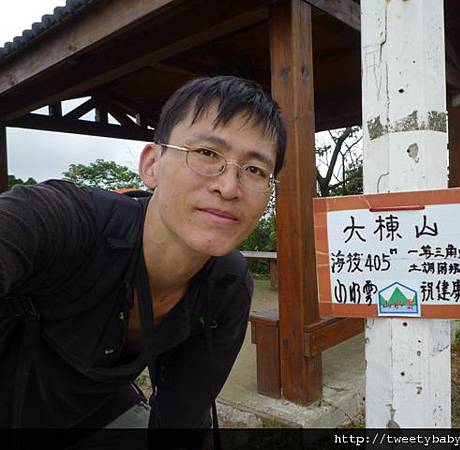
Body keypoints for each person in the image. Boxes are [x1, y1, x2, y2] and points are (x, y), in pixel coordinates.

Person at [0, 76, 286, 436]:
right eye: (206, 153)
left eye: (255, 170)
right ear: (152, 164)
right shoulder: (62, 221)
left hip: (100, 418)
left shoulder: (226, 284)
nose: (229, 187)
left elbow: (183, 417)